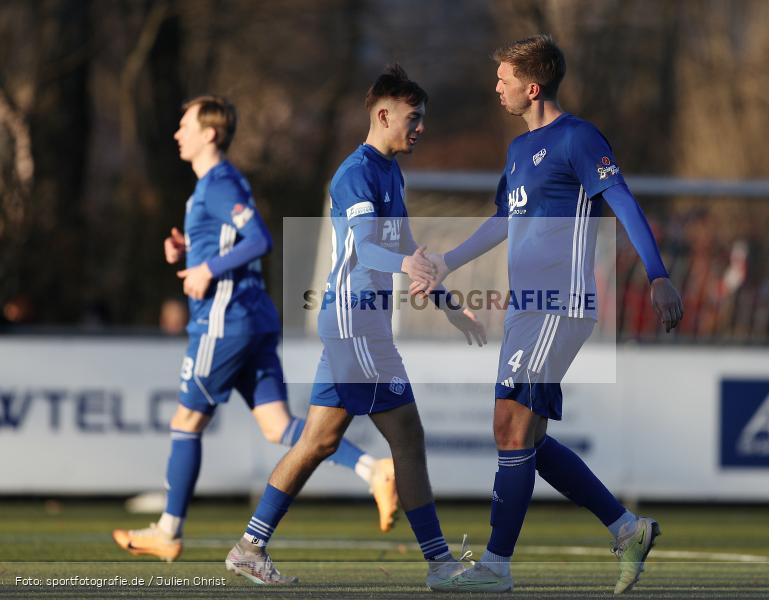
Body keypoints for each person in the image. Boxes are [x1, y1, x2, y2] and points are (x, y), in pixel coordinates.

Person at [418, 36, 684, 594]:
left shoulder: (578, 138)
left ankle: (495, 566)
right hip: (524, 309)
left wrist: (658, 275)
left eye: (503, 78)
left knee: (509, 427)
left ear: (531, 87)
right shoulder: (518, 152)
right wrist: (445, 261)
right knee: (526, 438)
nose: (496, 86)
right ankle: (627, 528)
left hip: (558, 306)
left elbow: (624, 202)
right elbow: (502, 221)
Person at [222, 65, 486, 587]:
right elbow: (366, 247)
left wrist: (451, 304)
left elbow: (408, 246)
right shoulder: (355, 174)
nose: (421, 128)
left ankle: (249, 546)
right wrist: (406, 267)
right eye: (414, 117)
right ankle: (440, 565)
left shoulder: (390, 172)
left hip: (355, 322)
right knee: (407, 436)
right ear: (383, 114)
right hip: (354, 322)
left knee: (318, 441)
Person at [112, 95, 398, 564]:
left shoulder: (219, 183)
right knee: (278, 425)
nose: (176, 133)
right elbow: (230, 241)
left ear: (209, 133)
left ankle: (168, 530)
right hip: (253, 318)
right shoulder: (215, 185)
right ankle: (373, 469)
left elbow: (259, 239)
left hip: (225, 321)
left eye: (184, 125)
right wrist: (188, 253)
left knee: (186, 421)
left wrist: (207, 271)